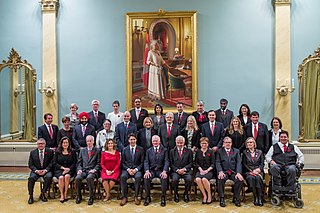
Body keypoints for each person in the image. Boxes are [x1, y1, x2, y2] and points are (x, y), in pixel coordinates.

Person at [216, 137, 244, 207]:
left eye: (229, 142)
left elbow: (238, 163)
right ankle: (222, 198)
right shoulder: (219, 151)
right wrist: (220, 171)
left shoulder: (236, 151)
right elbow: (218, 162)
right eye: (226, 142)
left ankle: (236, 198)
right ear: (223, 144)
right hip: (224, 172)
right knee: (220, 179)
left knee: (239, 180)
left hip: (234, 172)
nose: (228, 144)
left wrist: (238, 172)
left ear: (231, 143)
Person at [143, 135, 169, 207]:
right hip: (151, 170)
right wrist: (147, 171)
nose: (155, 142)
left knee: (164, 178)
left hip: (161, 170)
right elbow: (146, 161)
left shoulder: (164, 150)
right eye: (154, 141)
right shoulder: (148, 150)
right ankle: (148, 197)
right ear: (152, 142)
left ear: (159, 141)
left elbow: (166, 161)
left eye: (156, 141)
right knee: (146, 178)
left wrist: (164, 171)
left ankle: (163, 197)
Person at [75, 135, 101, 205]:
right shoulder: (82, 150)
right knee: (77, 178)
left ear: (93, 141)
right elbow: (79, 163)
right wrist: (79, 169)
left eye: (90, 141)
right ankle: (78, 196)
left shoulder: (97, 151)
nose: (89, 143)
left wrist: (94, 170)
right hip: (83, 170)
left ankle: (91, 197)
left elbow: (99, 164)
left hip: (92, 171)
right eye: (87, 141)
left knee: (89, 178)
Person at [120, 134, 144, 206]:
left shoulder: (141, 149)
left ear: (136, 140)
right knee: (123, 177)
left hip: (137, 169)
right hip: (127, 169)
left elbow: (142, 163)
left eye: (134, 139)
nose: (132, 141)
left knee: (138, 177)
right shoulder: (124, 149)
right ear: (128, 140)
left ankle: (136, 196)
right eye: (131, 139)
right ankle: (124, 197)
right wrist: (128, 169)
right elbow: (122, 163)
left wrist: (136, 170)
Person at [27, 138, 54, 204]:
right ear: (37, 144)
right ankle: (31, 196)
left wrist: (46, 170)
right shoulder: (33, 152)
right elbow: (30, 164)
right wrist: (36, 170)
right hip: (36, 171)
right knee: (31, 178)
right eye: (39, 144)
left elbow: (52, 163)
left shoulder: (50, 152)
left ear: (45, 144)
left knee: (49, 177)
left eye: (42, 144)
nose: (40, 145)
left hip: (46, 170)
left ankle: (43, 193)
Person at [169, 136, 193, 203]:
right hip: (175, 171)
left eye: (181, 143)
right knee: (175, 179)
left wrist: (184, 169)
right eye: (178, 143)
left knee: (189, 179)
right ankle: (176, 194)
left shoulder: (189, 151)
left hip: (186, 171)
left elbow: (191, 163)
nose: (179, 144)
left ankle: (186, 194)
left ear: (184, 142)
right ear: (175, 142)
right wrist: (177, 170)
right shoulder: (172, 151)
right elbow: (171, 163)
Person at [53, 136, 77, 203]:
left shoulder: (72, 151)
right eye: (64, 143)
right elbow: (54, 162)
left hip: (70, 169)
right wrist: (63, 168)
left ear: (69, 143)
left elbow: (75, 162)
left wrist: (68, 169)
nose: (65, 144)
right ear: (61, 143)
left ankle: (66, 193)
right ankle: (62, 194)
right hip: (59, 169)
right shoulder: (57, 151)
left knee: (67, 176)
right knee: (60, 177)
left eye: (66, 142)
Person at [242, 137, 265, 206]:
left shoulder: (260, 152)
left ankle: (260, 197)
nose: (249, 143)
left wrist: (258, 169)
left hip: (258, 171)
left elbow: (262, 163)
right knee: (252, 178)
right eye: (248, 142)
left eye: (251, 142)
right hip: (248, 171)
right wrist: (251, 171)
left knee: (257, 178)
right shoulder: (245, 152)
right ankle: (256, 197)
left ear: (254, 144)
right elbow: (244, 164)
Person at [194, 137, 215, 204]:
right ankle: (204, 195)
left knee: (204, 179)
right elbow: (195, 163)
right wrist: (200, 169)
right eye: (202, 143)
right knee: (197, 179)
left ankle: (209, 195)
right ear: (200, 144)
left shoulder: (211, 152)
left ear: (208, 144)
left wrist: (207, 170)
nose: (204, 145)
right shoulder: (198, 152)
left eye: (205, 143)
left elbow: (213, 164)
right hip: (200, 170)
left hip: (209, 171)